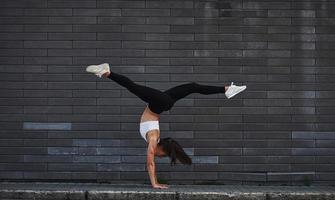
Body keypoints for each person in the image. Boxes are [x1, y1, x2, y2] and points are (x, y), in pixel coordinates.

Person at [86, 63, 246, 189]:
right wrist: (154, 183)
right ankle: (107, 72)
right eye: (161, 155)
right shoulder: (154, 139)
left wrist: (155, 181)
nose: (157, 156)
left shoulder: (154, 138)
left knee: (192, 86)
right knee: (134, 87)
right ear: (161, 148)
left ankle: (227, 90)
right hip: (160, 103)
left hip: (162, 103)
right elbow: (150, 162)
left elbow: (152, 160)